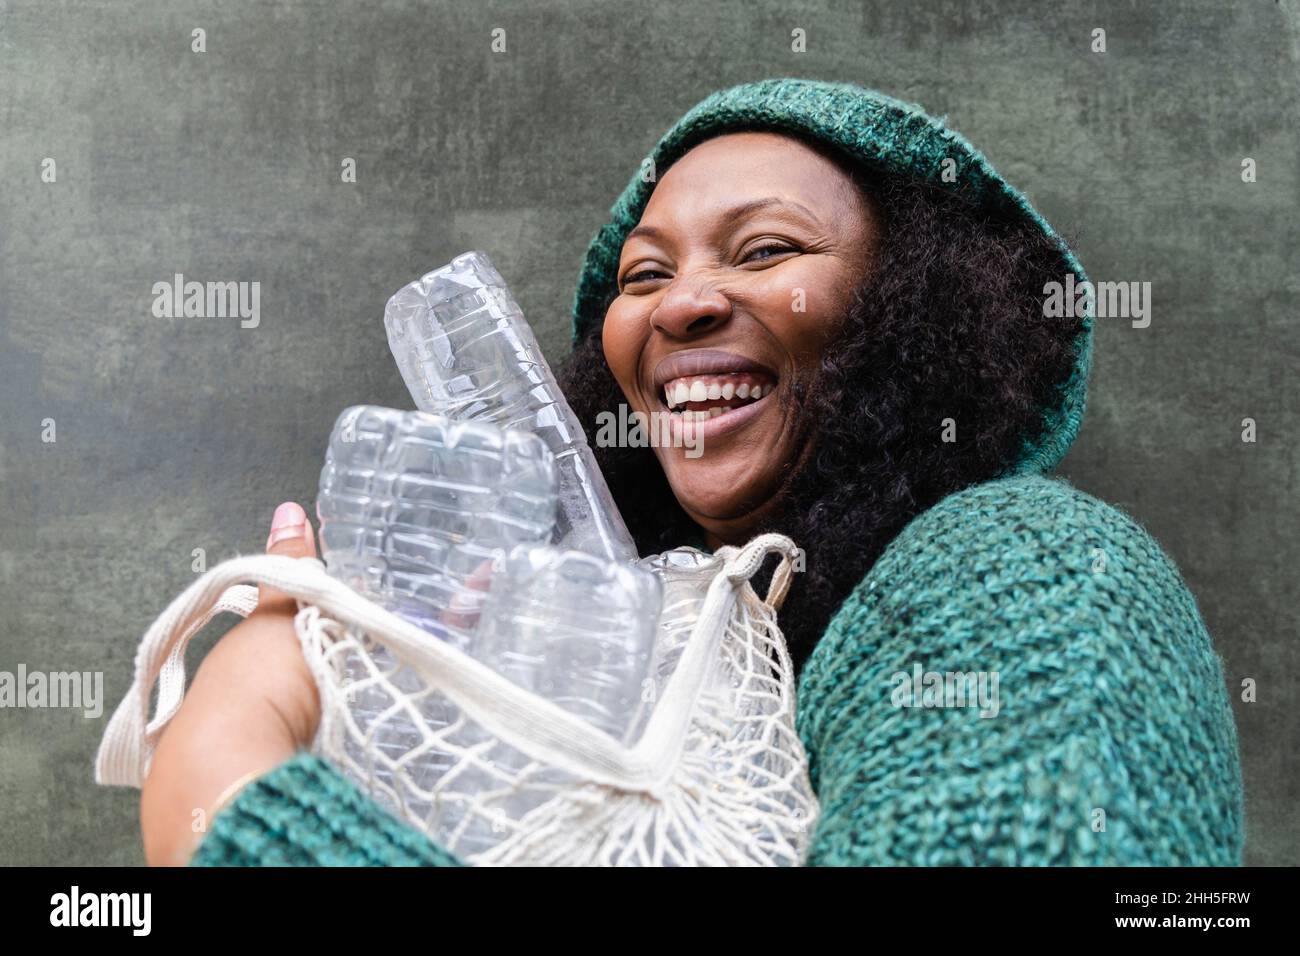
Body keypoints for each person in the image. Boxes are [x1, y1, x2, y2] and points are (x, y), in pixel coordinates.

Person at [138, 78, 1244, 866]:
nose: (678, 303)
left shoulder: (1034, 569)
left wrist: (233, 768)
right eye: (644, 272)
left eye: (766, 250)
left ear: (915, 314)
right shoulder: (690, 635)